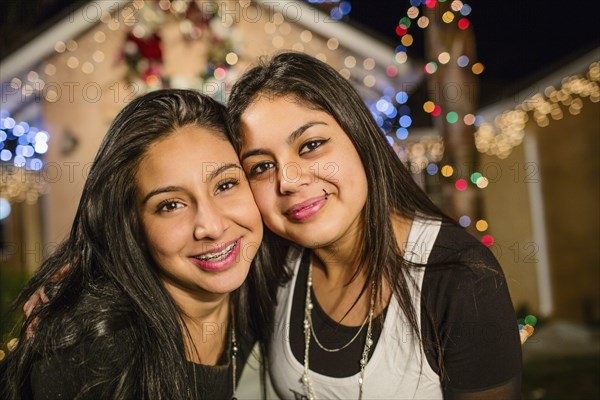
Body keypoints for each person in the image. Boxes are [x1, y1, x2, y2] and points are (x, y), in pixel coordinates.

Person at [227, 52, 523, 399]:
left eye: (310, 145)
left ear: (360, 137)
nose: (288, 180)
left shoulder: (462, 278)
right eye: (261, 167)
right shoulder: (271, 268)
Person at [0, 89, 279, 399]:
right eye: (171, 205)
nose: (211, 227)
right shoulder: (89, 359)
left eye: (225, 185)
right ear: (133, 226)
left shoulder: (269, 279)